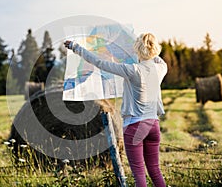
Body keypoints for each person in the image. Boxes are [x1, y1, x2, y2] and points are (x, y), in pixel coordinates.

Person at [64, 32, 167, 187]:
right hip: (153, 125)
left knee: (139, 175)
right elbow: (157, 58)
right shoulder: (161, 68)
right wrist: (145, 47)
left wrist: (75, 47)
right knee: (155, 171)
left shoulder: (132, 70)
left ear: (138, 49)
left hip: (135, 126)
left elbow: (99, 62)